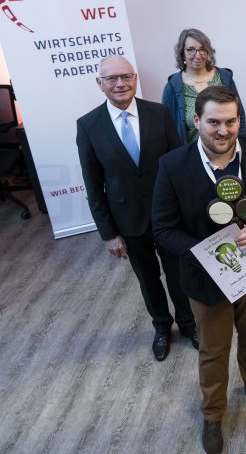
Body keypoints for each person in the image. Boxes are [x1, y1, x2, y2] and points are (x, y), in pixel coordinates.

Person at [152, 86, 246, 454]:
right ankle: (214, 413)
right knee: (214, 350)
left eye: (230, 121)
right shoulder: (173, 165)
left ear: (238, 121)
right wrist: (204, 252)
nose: (223, 130)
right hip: (205, 278)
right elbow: (163, 227)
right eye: (213, 121)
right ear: (196, 120)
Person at [76, 55, 196, 362]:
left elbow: (181, 167)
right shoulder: (88, 126)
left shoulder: (159, 114)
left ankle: (188, 324)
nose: (120, 84)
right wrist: (108, 234)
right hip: (127, 221)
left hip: (169, 217)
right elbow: (94, 187)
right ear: (99, 84)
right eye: (112, 79)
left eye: (126, 77)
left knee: (178, 273)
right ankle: (161, 327)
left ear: (135, 79)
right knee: (148, 278)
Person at [161, 28, 246, 143]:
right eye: (191, 50)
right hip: (192, 156)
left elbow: (239, 115)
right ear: (182, 53)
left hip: (227, 150)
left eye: (202, 49)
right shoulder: (173, 86)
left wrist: (241, 145)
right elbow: (167, 128)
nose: (198, 55)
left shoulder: (224, 77)